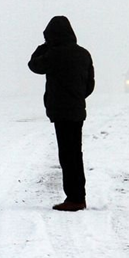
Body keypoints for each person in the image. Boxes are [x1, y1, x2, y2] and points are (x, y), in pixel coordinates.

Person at [28, 16, 95, 212]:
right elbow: (89, 85)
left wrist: (44, 47)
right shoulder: (83, 54)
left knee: (67, 155)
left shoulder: (53, 54)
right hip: (77, 109)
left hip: (61, 111)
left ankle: (74, 199)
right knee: (75, 153)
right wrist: (77, 96)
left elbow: (34, 65)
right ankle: (78, 196)